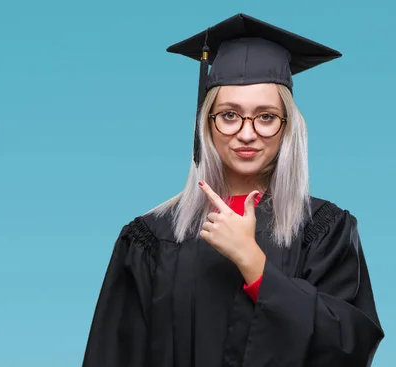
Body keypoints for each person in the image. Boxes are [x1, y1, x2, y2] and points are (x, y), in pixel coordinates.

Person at [81, 13, 384, 367]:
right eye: (229, 115)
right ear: (205, 124)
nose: (246, 133)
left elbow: (348, 348)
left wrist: (253, 264)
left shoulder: (322, 231)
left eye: (266, 116)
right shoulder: (150, 239)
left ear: (289, 128)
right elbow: (112, 356)